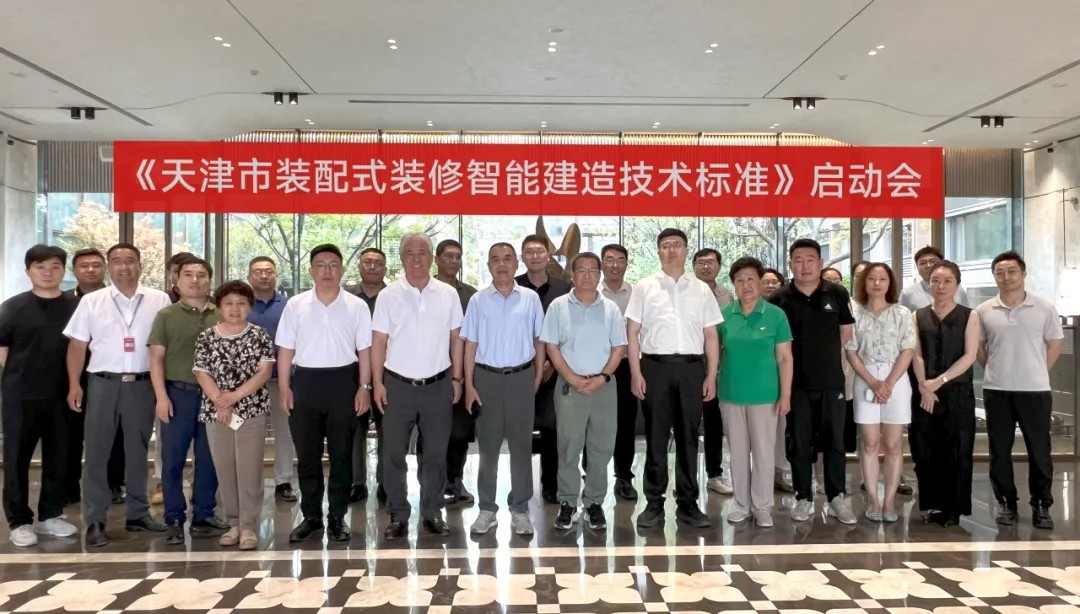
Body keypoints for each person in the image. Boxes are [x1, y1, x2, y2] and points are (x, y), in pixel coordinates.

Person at [64, 242, 173, 547]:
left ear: (139, 265)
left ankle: (138, 514)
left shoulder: (159, 299)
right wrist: (74, 384)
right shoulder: (92, 301)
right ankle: (95, 520)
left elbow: (164, 346)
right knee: (97, 452)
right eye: (116, 261)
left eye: (130, 260)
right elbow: (77, 345)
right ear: (108, 267)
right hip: (103, 383)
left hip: (142, 384)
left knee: (138, 451)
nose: (124, 267)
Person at [277, 244, 372, 543]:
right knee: (308, 455)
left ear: (342, 270)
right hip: (305, 382)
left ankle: (337, 517)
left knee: (342, 455)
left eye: (333, 265)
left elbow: (365, 351)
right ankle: (312, 517)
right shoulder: (296, 304)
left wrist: (364, 387)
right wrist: (284, 387)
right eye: (320, 265)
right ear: (311, 271)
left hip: (344, 382)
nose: (327, 270)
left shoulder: (357, 306)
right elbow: (286, 349)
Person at [626, 228, 721, 529]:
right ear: (659, 251)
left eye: (677, 245)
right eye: (665, 245)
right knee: (655, 437)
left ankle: (688, 503)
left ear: (685, 249)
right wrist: (636, 372)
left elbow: (710, 335)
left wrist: (711, 375)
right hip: (655, 367)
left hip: (692, 368)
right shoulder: (645, 287)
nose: (671, 250)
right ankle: (653, 503)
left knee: (689, 437)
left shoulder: (701, 289)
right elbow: (632, 333)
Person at [374, 234, 464, 540]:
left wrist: (457, 379)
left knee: (436, 454)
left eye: (422, 253)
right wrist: (377, 383)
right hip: (397, 385)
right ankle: (398, 515)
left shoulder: (447, 294)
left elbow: (456, 339)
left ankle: (432, 512)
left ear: (431, 258)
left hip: (438, 384)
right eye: (409, 253)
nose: (416, 259)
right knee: (393, 454)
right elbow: (379, 342)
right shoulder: (388, 295)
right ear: (401, 259)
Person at [770, 238, 857, 525]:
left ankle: (836, 498)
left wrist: (824, 354)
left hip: (831, 381)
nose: (804, 266)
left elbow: (845, 332)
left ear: (820, 263)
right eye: (798, 260)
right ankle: (803, 497)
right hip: (795, 384)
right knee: (799, 442)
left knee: (834, 441)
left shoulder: (837, 292)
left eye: (810, 260)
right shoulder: (780, 298)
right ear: (791, 264)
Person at [976, 250, 1064, 530]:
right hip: (997, 389)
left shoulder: (1044, 308)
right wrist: (994, 367)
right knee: (999, 450)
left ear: (1024, 274)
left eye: (1012, 271)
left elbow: (1054, 344)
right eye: (1000, 272)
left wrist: (1037, 370)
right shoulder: (984, 310)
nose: (1006, 277)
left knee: (1039, 450)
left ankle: (1042, 505)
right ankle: (1006, 503)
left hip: (1035, 390)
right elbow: (979, 347)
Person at [0, 245, 80, 547]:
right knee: (16, 459)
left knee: (59, 456)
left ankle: (50, 515)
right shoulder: (12, 307)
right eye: (40, 267)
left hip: (63, 394)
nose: (48, 273)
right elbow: (3, 350)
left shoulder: (76, 306)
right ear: (28, 271)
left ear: (63, 270)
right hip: (21, 396)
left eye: (55, 266)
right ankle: (19, 521)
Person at [463, 243, 544, 536]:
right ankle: (487, 509)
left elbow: (539, 340)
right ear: (488, 265)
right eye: (495, 259)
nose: (502, 264)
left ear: (516, 264)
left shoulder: (531, 299)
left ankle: (520, 510)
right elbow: (470, 345)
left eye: (507, 258)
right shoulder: (478, 300)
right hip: (487, 379)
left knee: (522, 447)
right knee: (488, 448)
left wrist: (537, 375)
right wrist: (469, 385)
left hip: (521, 377)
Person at [543, 252, 628, 530]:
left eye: (593, 270)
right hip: (570, 386)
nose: (587, 275)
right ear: (573, 274)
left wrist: (602, 377)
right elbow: (552, 346)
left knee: (601, 448)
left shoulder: (611, 309)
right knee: (568, 447)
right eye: (582, 270)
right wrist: (571, 377)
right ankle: (568, 502)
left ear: (599, 275)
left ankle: (594, 503)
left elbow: (618, 348)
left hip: (603, 386)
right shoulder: (558, 306)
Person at [148, 257, 227, 545]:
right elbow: (155, 359)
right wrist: (161, 397)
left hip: (214, 397)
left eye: (202, 275)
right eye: (189, 275)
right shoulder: (166, 316)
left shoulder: (222, 314)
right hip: (177, 394)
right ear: (177, 281)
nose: (195, 280)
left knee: (210, 457)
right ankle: (173, 518)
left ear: (209, 280)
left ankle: (204, 514)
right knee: (173, 459)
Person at [194, 281, 275, 550]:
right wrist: (220, 400)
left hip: (251, 410)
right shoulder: (207, 337)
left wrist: (233, 397)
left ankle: (249, 525)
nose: (235, 308)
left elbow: (264, 372)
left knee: (249, 468)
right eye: (228, 303)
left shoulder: (259, 335)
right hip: (216, 412)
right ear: (219, 307)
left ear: (250, 307)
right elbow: (201, 372)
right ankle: (233, 523)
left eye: (241, 303)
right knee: (225, 467)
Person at [717, 257, 793, 528]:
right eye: (740, 280)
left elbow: (785, 358)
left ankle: (762, 506)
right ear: (733, 285)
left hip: (765, 396)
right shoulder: (724, 315)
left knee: (763, 452)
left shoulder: (776, 315)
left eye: (751, 279)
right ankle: (741, 505)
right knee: (737, 452)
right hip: (731, 394)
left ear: (760, 282)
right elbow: (715, 353)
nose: (746, 285)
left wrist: (785, 395)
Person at [844, 263, 916, 523]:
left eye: (882, 279)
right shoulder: (854, 313)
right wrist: (874, 383)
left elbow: (908, 349)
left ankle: (889, 502)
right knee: (870, 443)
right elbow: (850, 351)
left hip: (896, 379)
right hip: (865, 378)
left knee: (894, 444)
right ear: (863, 283)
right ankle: (873, 500)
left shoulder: (902, 313)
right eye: (871, 278)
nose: (876, 283)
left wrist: (888, 383)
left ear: (890, 283)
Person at [911, 261, 979, 527]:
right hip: (924, 390)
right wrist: (924, 386)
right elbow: (916, 354)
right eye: (935, 281)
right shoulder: (917, 316)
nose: (940, 286)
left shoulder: (970, 315)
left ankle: (954, 508)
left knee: (957, 449)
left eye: (947, 281)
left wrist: (939, 381)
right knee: (925, 449)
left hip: (957, 391)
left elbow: (970, 355)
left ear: (957, 284)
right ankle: (934, 504)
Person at [62, 248, 126, 508]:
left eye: (96, 265)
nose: (90, 270)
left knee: (114, 434)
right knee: (70, 434)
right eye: (84, 265)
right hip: (72, 378)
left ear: (105, 269)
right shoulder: (63, 301)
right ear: (74, 270)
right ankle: (69, 486)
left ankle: (114, 483)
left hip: (109, 376)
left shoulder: (118, 299)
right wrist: (72, 382)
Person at [515, 234, 571, 504]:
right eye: (529, 252)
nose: (535, 256)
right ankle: (521, 487)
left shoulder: (564, 288)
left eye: (540, 251)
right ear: (522, 257)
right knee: (519, 430)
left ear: (548, 255)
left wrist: (550, 363)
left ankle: (551, 485)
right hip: (519, 369)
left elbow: (570, 328)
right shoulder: (513, 286)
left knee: (553, 429)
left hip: (555, 369)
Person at [246, 256, 295, 504]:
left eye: (269, 271)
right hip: (248, 383)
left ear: (276, 275)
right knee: (249, 433)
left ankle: (283, 481)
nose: (264, 275)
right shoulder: (241, 305)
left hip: (281, 380)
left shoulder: (289, 305)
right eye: (258, 271)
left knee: (284, 432)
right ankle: (249, 482)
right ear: (249, 276)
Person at [434, 239, 479, 505]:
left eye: (458, 256)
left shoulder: (471, 295)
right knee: (432, 432)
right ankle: (434, 484)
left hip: (462, 372)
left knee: (460, 432)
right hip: (432, 371)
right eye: (448, 256)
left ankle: (455, 480)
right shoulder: (425, 290)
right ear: (437, 259)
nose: (454, 261)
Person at [348, 247, 388, 504]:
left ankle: (386, 482)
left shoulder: (395, 296)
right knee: (354, 429)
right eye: (367, 262)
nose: (372, 267)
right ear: (359, 266)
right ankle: (357, 482)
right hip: (353, 372)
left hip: (389, 371)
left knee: (389, 429)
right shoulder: (346, 297)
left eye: (378, 263)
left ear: (385, 268)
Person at [693, 248, 733, 497]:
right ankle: (684, 478)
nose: (706, 267)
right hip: (689, 364)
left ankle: (714, 474)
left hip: (717, 368)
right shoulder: (685, 291)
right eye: (701, 262)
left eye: (710, 262)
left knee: (714, 422)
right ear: (693, 266)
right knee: (685, 422)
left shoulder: (727, 296)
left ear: (719, 266)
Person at [600, 243, 639, 502]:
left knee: (625, 422)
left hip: (626, 366)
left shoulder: (636, 294)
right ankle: (591, 474)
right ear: (602, 263)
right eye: (610, 259)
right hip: (596, 365)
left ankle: (623, 476)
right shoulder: (590, 292)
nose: (615, 264)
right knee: (594, 423)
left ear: (626, 263)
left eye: (620, 259)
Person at [900, 246, 969, 311]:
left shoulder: (959, 291)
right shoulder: (907, 294)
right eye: (922, 263)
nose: (928, 266)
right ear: (917, 268)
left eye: (932, 261)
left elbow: (967, 316)